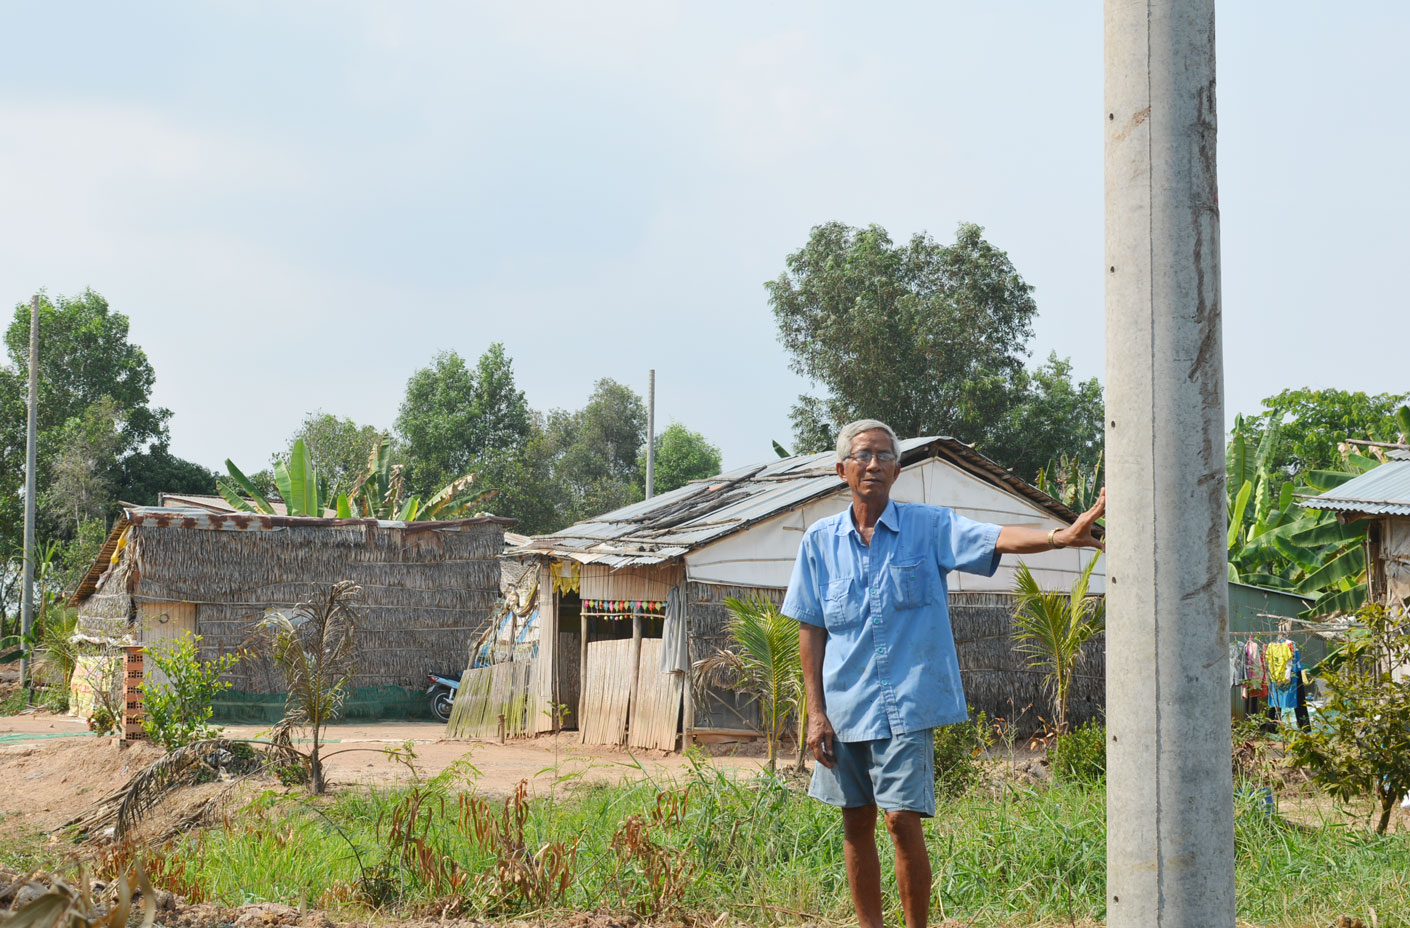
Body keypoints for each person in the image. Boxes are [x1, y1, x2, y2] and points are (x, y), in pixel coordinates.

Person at [781, 419, 1106, 928]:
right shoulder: (819, 543)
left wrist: (1060, 536)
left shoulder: (928, 527)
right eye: (863, 456)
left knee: (900, 821)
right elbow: (812, 628)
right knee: (855, 824)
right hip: (844, 709)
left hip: (907, 705)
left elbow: (996, 537)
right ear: (841, 469)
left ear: (899, 468)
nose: (875, 464)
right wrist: (816, 713)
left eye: (886, 456)